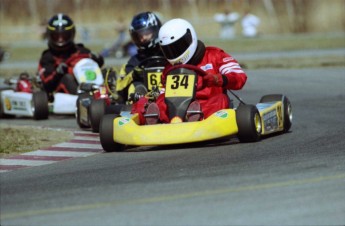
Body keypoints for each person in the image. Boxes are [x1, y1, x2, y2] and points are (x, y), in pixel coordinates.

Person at [132, 18, 247, 125]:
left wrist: (218, 79)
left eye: (177, 47)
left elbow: (240, 77)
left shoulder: (214, 55)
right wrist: (151, 98)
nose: (174, 53)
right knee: (157, 101)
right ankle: (152, 117)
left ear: (189, 38)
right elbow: (163, 91)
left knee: (220, 99)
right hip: (175, 108)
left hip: (207, 105)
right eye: (169, 50)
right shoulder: (169, 68)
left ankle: (196, 115)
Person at [38, 13, 104, 99]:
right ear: (50, 35)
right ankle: (83, 100)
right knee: (67, 78)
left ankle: (110, 96)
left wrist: (98, 60)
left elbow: (94, 67)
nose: (60, 39)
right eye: (56, 36)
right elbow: (46, 83)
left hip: (87, 84)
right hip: (61, 94)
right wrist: (58, 72)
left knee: (107, 73)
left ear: (71, 34)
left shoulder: (81, 51)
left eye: (64, 36)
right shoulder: (48, 57)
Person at [115, 11, 164, 103]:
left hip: (168, 95)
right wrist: (134, 75)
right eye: (139, 35)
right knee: (135, 86)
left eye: (146, 33)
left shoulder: (169, 54)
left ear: (156, 31)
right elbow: (119, 88)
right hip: (143, 102)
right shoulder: (135, 61)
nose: (143, 38)